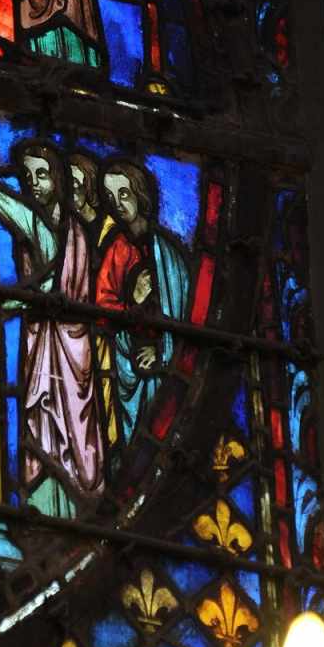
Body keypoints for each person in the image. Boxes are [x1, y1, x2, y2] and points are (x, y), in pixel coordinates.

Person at [0, 119, 103, 515]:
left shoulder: (64, 228)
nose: (34, 185)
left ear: (58, 178)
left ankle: (76, 512)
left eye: (42, 175)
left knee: (74, 432)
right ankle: (45, 510)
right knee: (41, 424)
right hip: (42, 339)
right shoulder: (42, 222)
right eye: (27, 177)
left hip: (72, 347)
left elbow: (48, 289)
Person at [95, 160, 189, 450]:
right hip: (128, 360)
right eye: (110, 197)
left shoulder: (168, 253)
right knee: (133, 443)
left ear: (140, 194)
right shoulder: (117, 249)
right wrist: (133, 301)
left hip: (163, 361)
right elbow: (101, 307)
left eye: (123, 194)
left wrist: (162, 351)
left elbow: (184, 314)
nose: (117, 203)